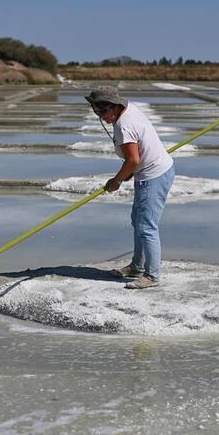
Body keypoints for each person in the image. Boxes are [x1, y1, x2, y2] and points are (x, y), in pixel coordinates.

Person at [85, 87, 175, 289]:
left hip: (154, 175)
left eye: (103, 112)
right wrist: (129, 172)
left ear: (115, 106)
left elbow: (133, 159)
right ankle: (137, 266)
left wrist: (116, 180)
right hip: (152, 170)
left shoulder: (124, 125)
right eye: (97, 113)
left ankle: (152, 276)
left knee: (147, 226)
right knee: (138, 221)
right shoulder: (128, 109)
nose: (102, 118)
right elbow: (137, 155)